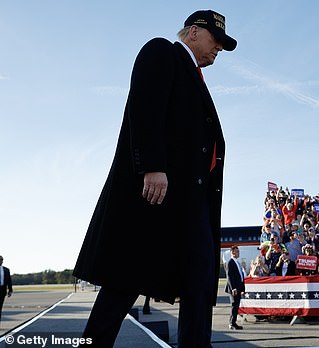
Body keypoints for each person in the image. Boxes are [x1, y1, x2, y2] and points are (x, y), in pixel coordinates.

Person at [73, 10, 237, 348]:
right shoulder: (163, 52)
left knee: (200, 282)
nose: (219, 48)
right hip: (157, 196)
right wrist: (152, 166)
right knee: (126, 276)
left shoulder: (194, 77)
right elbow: (144, 108)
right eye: (215, 39)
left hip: (192, 204)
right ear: (193, 32)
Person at [225, 246, 245, 330]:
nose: (238, 253)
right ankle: (231, 323)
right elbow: (230, 277)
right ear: (232, 253)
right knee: (234, 306)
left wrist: (242, 288)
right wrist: (233, 288)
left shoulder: (237, 262)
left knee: (236, 306)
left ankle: (234, 322)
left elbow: (240, 275)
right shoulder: (230, 262)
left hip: (238, 288)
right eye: (237, 252)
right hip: (234, 289)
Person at [0, 256, 13, 326]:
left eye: (2, 260)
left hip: (2, 290)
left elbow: (9, 281)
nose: (1, 261)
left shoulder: (6, 270)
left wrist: (10, 290)